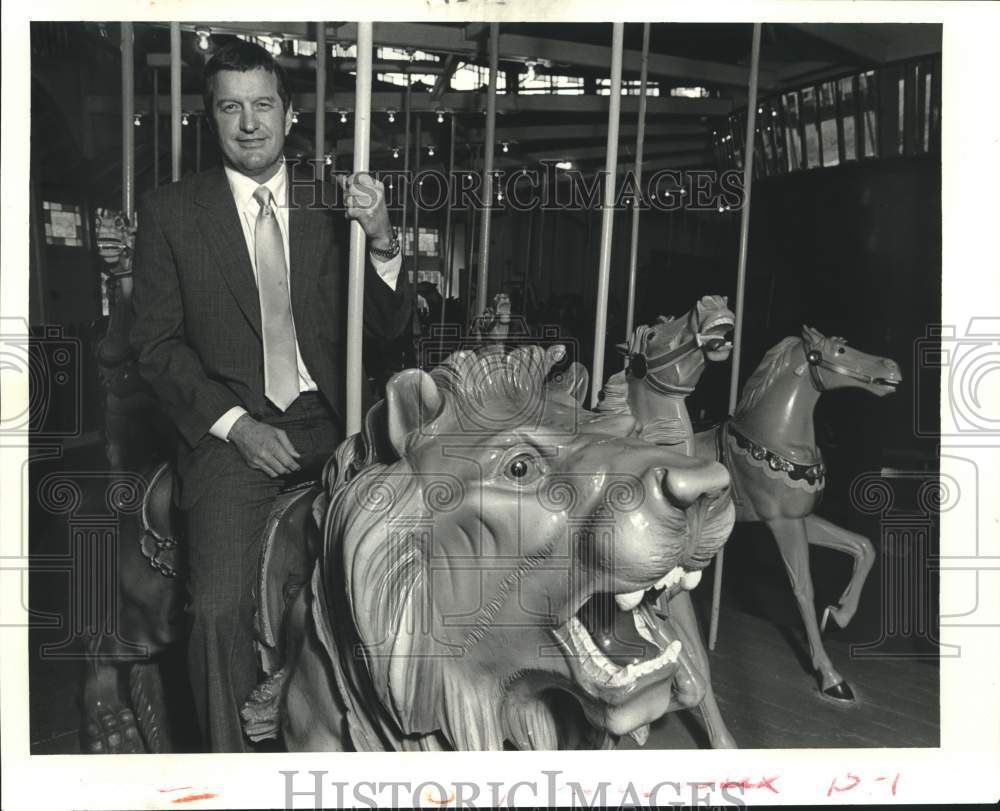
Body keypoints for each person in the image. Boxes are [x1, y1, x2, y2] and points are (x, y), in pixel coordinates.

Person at [129, 39, 410, 752]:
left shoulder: (331, 203)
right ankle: (230, 770)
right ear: (210, 117)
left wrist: (380, 241)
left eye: (263, 105)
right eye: (231, 107)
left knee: (411, 572)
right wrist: (235, 427)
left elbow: (388, 331)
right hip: (233, 438)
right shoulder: (171, 212)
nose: (249, 122)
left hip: (335, 421)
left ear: (289, 115)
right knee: (219, 606)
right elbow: (156, 348)